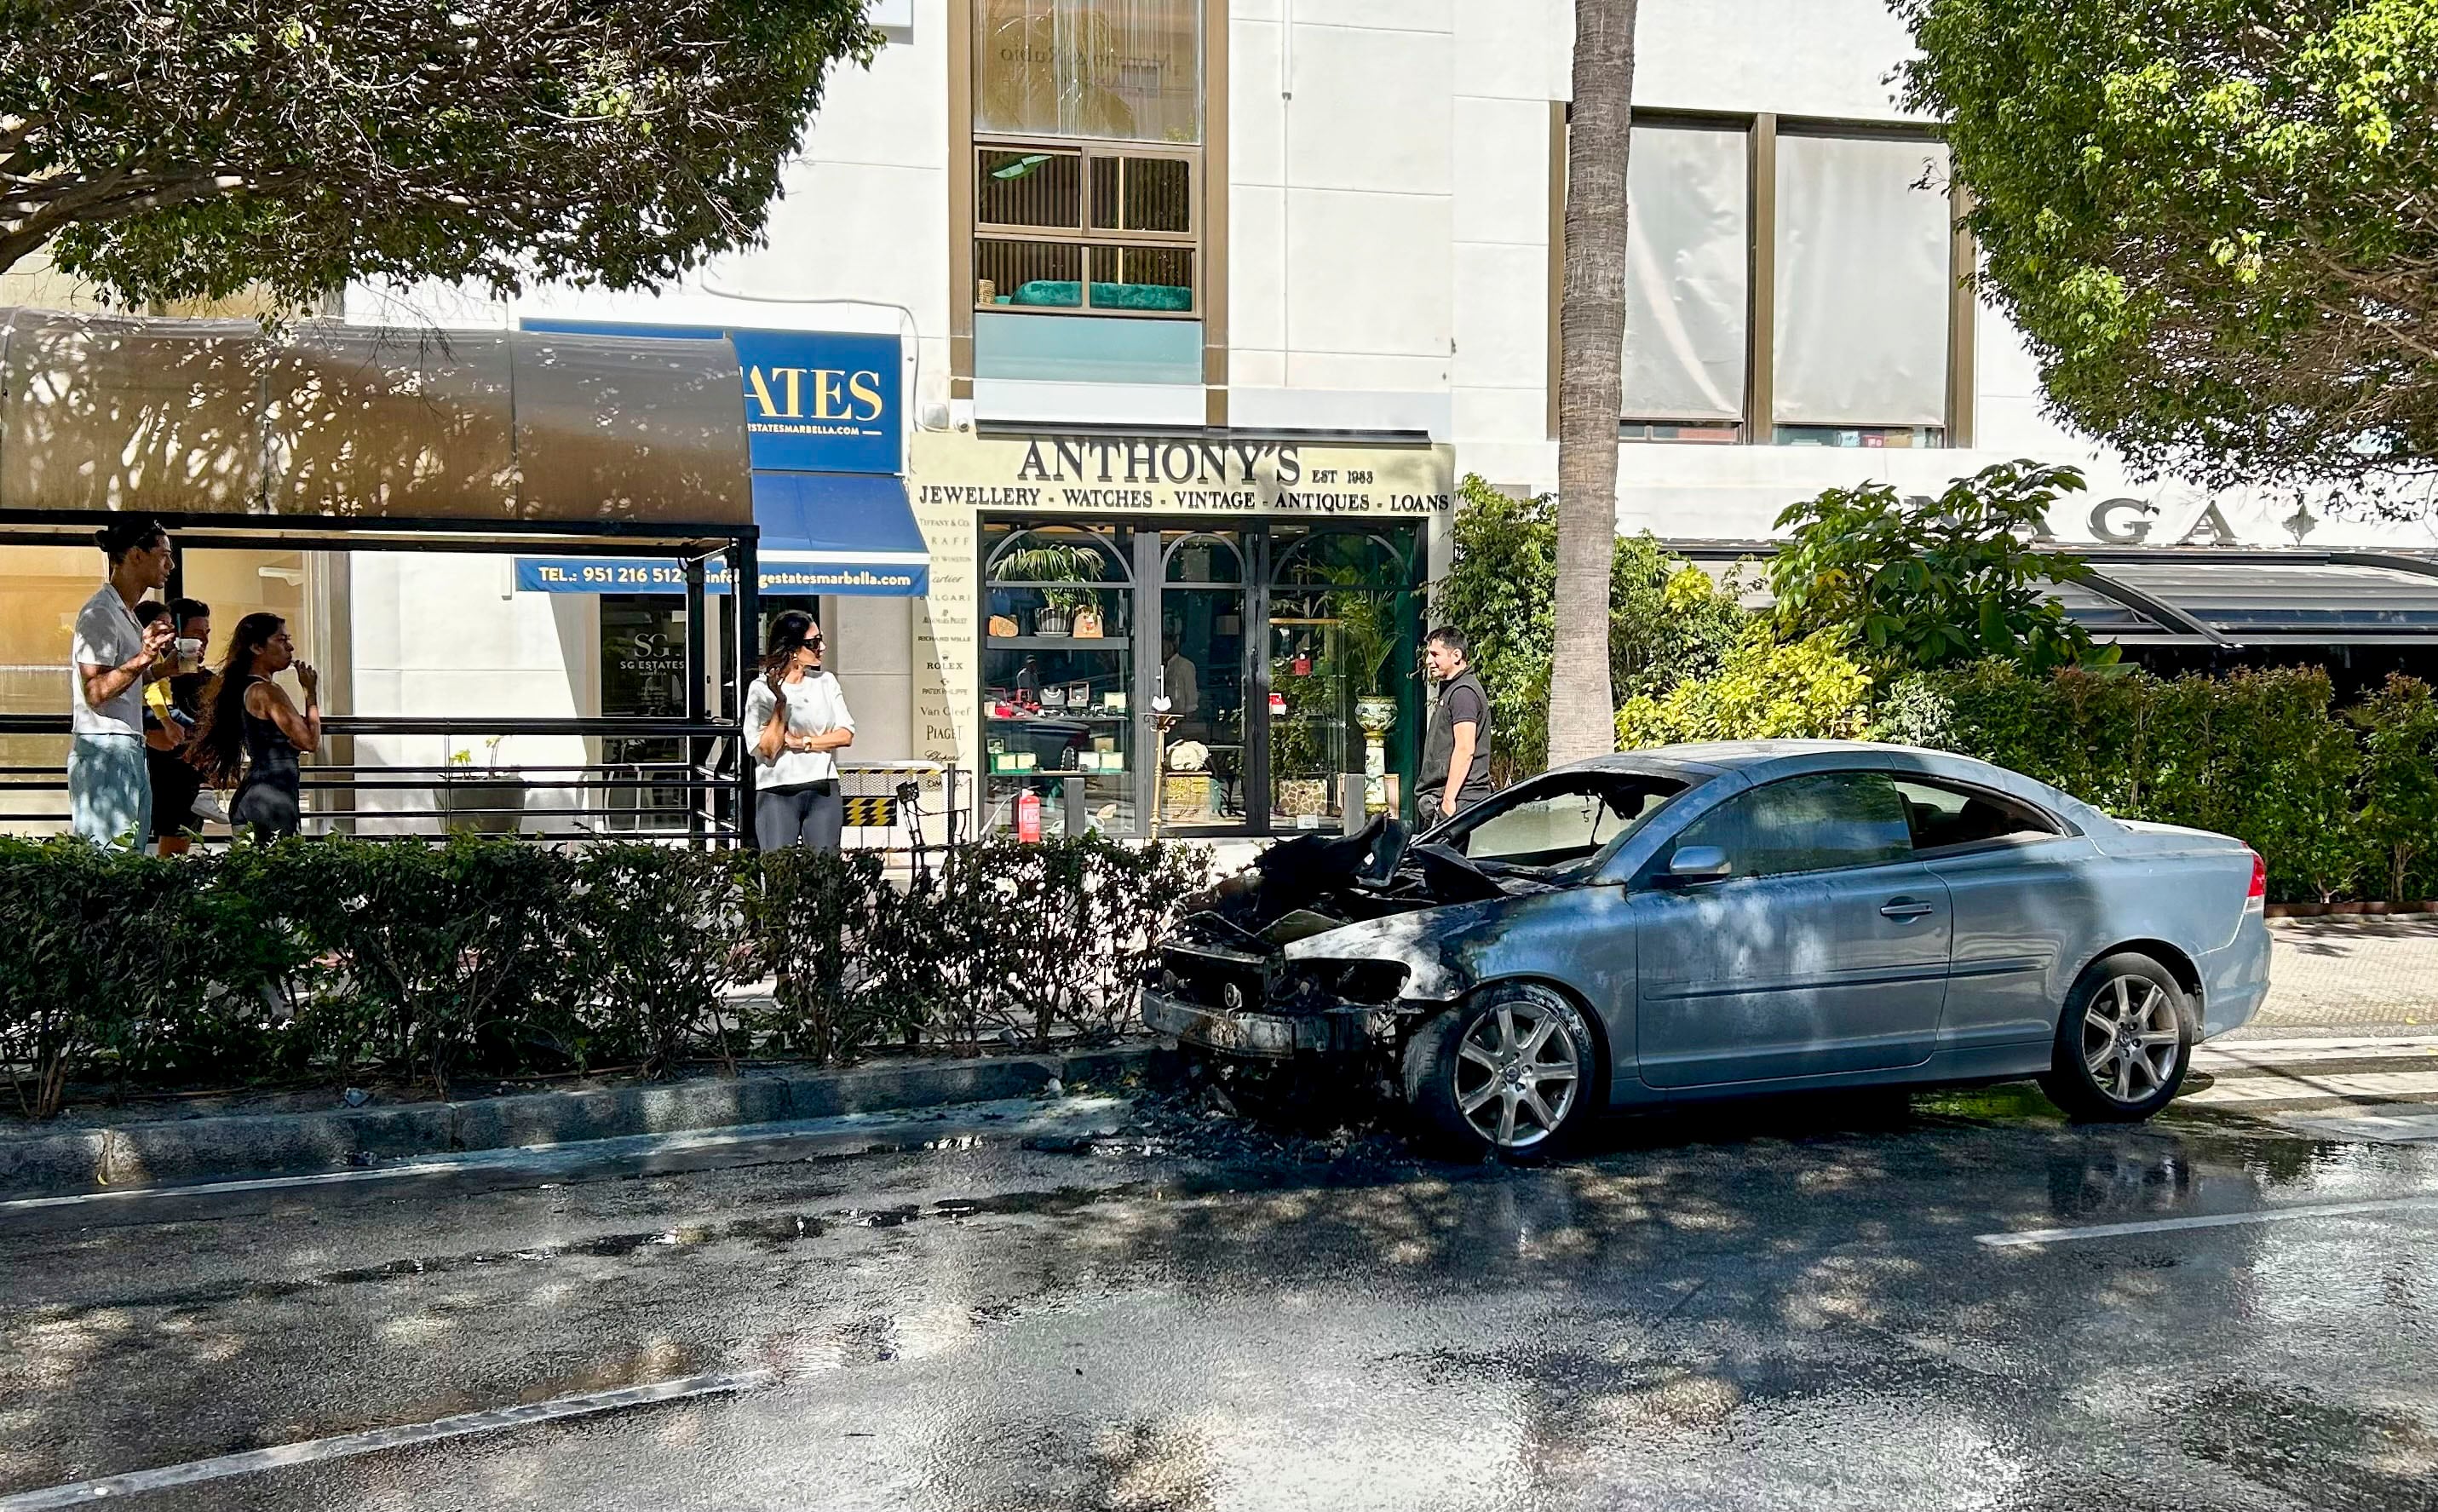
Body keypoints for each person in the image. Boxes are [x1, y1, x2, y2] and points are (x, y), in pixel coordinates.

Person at [69, 519, 176, 848]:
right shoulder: (100, 613)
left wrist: (163, 669)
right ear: (135, 555)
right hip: (104, 748)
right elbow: (96, 691)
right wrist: (145, 657)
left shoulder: (126, 613)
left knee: (130, 858)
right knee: (109, 863)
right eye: (163, 555)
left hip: (127, 745)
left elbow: (127, 681)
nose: (170, 565)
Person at [189, 613, 319, 843]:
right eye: (281, 640)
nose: (290, 647)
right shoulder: (267, 691)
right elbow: (309, 741)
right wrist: (310, 694)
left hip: (255, 794)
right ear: (257, 647)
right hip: (272, 800)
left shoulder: (245, 687)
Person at [745, 611, 855, 851]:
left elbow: (845, 734)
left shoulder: (826, 682)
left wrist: (802, 742)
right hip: (777, 788)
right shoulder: (761, 689)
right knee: (778, 871)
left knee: (825, 873)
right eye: (814, 643)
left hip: (822, 786)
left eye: (821, 639)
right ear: (793, 649)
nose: (822, 647)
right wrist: (780, 703)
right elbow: (768, 748)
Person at [143, 597, 213, 854]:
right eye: (196, 634)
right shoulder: (149, 676)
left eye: (206, 633)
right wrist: (148, 735)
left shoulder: (208, 681)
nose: (203, 640)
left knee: (174, 855)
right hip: (151, 777)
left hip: (187, 783)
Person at [1419, 625, 1493, 824]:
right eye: (1428, 654)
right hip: (1453, 802)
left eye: (1435, 654)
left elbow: (1465, 748)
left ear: (1456, 655)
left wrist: (1448, 803)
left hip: (1461, 802)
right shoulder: (1454, 690)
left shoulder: (1463, 693)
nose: (1428, 661)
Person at [1160, 633, 1201, 722]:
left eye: (1166, 645)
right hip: (1163, 714)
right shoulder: (1161, 666)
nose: (1163, 649)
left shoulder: (1185, 665)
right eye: (1162, 646)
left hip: (1179, 714)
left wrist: (1190, 711)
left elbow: (1191, 690)